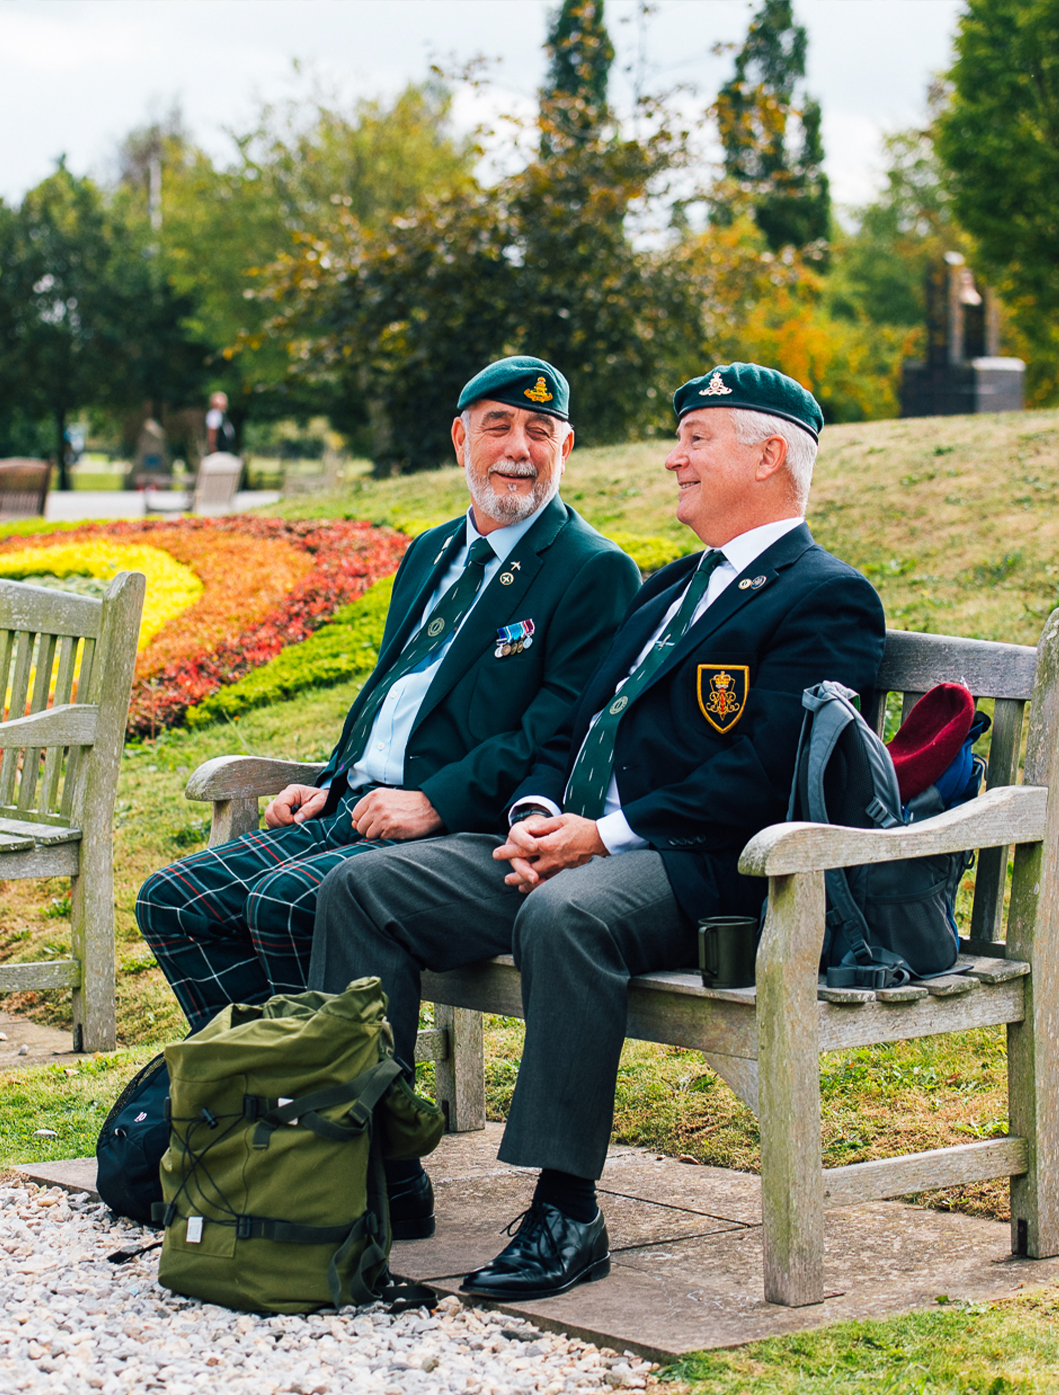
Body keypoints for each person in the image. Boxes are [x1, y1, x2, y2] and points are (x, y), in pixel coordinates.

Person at [307, 362, 887, 1295]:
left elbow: (763, 775)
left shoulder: (823, 595)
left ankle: (565, 1211)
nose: (675, 460)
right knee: (367, 889)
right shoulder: (672, 589)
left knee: (567, 914)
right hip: (583, 846)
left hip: (710, 867)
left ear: (769, 454)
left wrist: (602, 838)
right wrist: (541, 816)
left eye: (698, 440)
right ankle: (362, 1170)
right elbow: (577, 726)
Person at [136, 356, 641, 1236]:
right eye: (497, 427)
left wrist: (436, 801)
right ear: (459, 438)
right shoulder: (434, 551)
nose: (517, 450)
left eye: (538, 432)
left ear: (567, 447)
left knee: (286, 903)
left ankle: (380, 1168)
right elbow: (391, 692)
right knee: (175, 900)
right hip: (354, 803)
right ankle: (274, 1117)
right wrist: (324, 779)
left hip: (453, 829)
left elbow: (555, 735)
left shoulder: (590, 570)